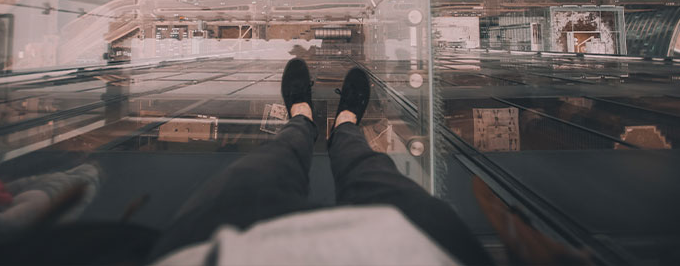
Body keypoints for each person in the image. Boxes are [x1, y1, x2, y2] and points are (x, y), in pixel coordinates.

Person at [149, 58, 493, 266]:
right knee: (367, 166)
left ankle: (301, 115)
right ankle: (344, 122)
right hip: (418, 249)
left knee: (273, 160)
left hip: (219, 249)